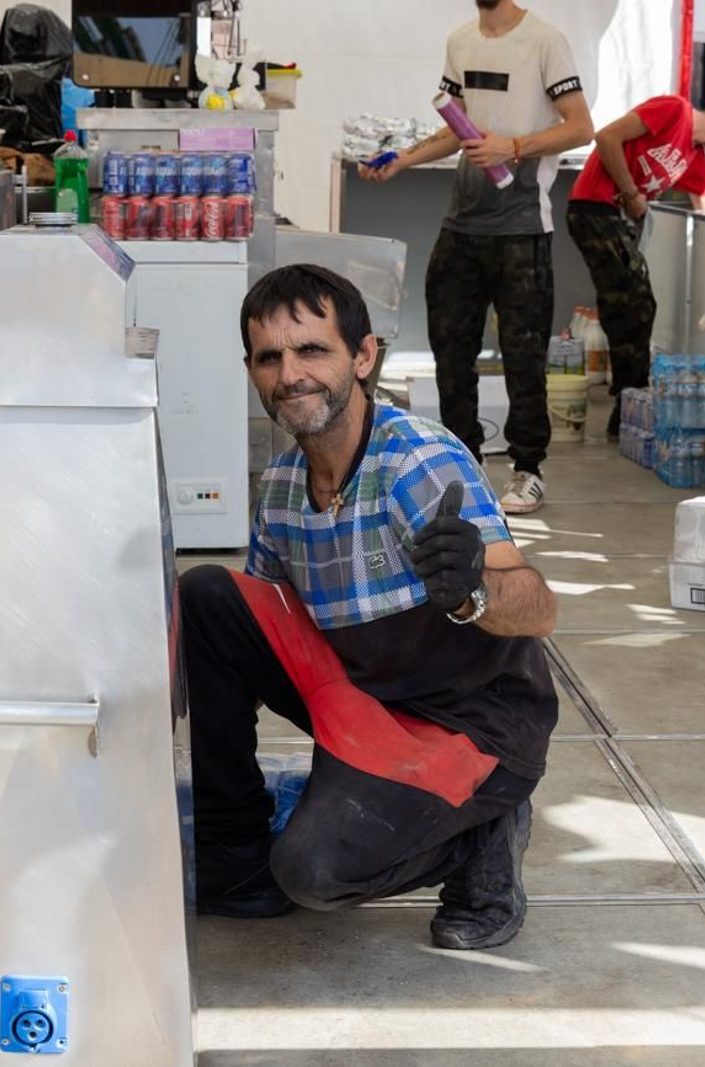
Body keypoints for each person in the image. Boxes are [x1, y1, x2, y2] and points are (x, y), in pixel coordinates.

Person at [181, 264, 560, 950]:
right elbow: (255, 630)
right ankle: (232, 860)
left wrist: (472, 588)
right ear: (252, 370)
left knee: (313, 870)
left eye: (313, 350)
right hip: (365, 700)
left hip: (469, 722)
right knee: (208, 595)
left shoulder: (417, 462)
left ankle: (480, 840)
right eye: (271, 357)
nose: (291, 373)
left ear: (363, 356)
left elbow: (538, 609)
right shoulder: (283, 486)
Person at [360, 0, 595, 516]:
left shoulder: (545, 41)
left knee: (523, 356)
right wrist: (402, 160)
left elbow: (580, 127)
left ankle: (528, 469)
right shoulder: (460, 41)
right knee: (450, 351)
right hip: (461, 225)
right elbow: (456, 128)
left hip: (521, 228)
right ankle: (463, 463)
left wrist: (514, 146)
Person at [567, 92, 705, 438]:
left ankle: (629, 400)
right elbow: (606, 137)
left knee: (628, 303)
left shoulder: (693, 157)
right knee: (635, 303)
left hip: (622, 218)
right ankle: (630, 399)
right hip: (596, 208)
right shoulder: (674, 111)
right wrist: (629, 191)